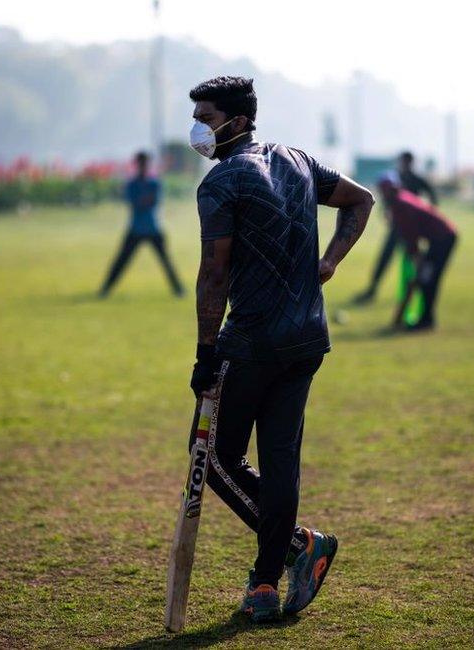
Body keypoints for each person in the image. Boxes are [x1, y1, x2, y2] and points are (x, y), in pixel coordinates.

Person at [187, 76, 375, 622]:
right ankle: (264, 588)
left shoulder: (221, 183)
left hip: (251, 343)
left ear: (238, 121)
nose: (199, 127)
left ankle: (297, 547)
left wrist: (204, 353)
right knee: (279, 462)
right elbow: (360, 201)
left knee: (217, 462)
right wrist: (331, 261)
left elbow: (214, 273)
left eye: (206, 115)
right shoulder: (297, 160)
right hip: (307, 339)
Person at [353, 150, 438, 304]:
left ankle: (411, 296)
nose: (403, 164)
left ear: (411, 162)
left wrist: (425, 215)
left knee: (411, 263)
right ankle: (372, 290)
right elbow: (387, 201)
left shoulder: (416, 179)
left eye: (406, 161)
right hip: (396, 228)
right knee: (384, 258)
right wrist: (386, 212)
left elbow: (432, 196)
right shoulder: (395, 177)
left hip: (411, 228)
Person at [99, 151, 184, 297]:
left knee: (166, 262)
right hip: (136, 228)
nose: (143, 166)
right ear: (137, 164)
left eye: (145, 163)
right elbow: (136, 203)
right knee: (121, 261)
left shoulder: (153, 183)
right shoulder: (133, 183)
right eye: (141, 163)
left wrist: (143, 200)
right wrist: (145, 199)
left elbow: (152, 201)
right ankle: (105, 289)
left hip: (153, 228)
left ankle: (178, 290)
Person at [386, 188, 458, 331]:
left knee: (428, 278)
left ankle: (427, 320)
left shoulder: (400, 206)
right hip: (439, 239)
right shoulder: (402, 198)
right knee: (426, 278)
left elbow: (412, 236)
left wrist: (417, 260)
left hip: (442, 239)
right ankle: (427, 319)